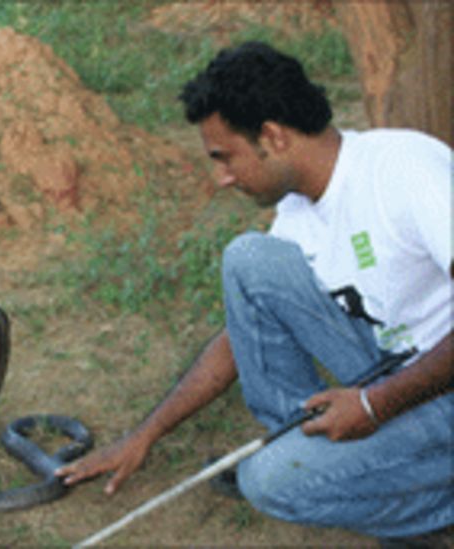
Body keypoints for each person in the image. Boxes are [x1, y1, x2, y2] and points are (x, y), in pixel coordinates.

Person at [56, 41, 452, 542]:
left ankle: (424, 505)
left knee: (268, 483)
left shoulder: (404, 169)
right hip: (398, 367)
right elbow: (238, 340)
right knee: (249, 260)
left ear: (273, 136)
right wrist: (144, 435)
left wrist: (376, 406)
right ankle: (318, 455)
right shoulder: (299, 212)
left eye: (225, 158)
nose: (221, 178)